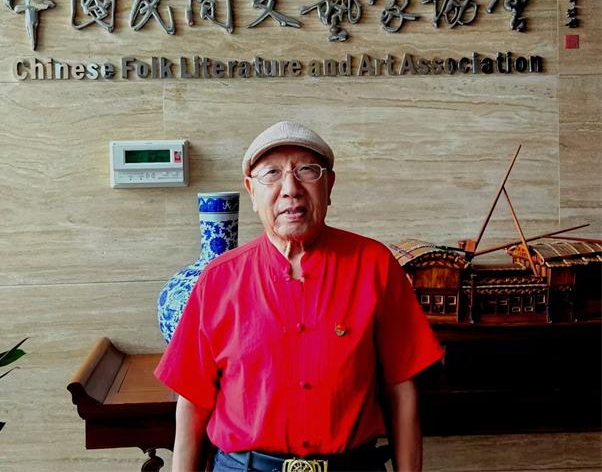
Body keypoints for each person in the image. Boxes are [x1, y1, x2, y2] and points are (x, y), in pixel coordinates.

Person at [155, 121, 444, 471]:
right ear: (251, 191)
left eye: (307, 170)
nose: (290, 189)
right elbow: (192, 401)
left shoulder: (374, 266)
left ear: (329, 185)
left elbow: (402, 389)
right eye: (272, 173)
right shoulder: (218, 279)